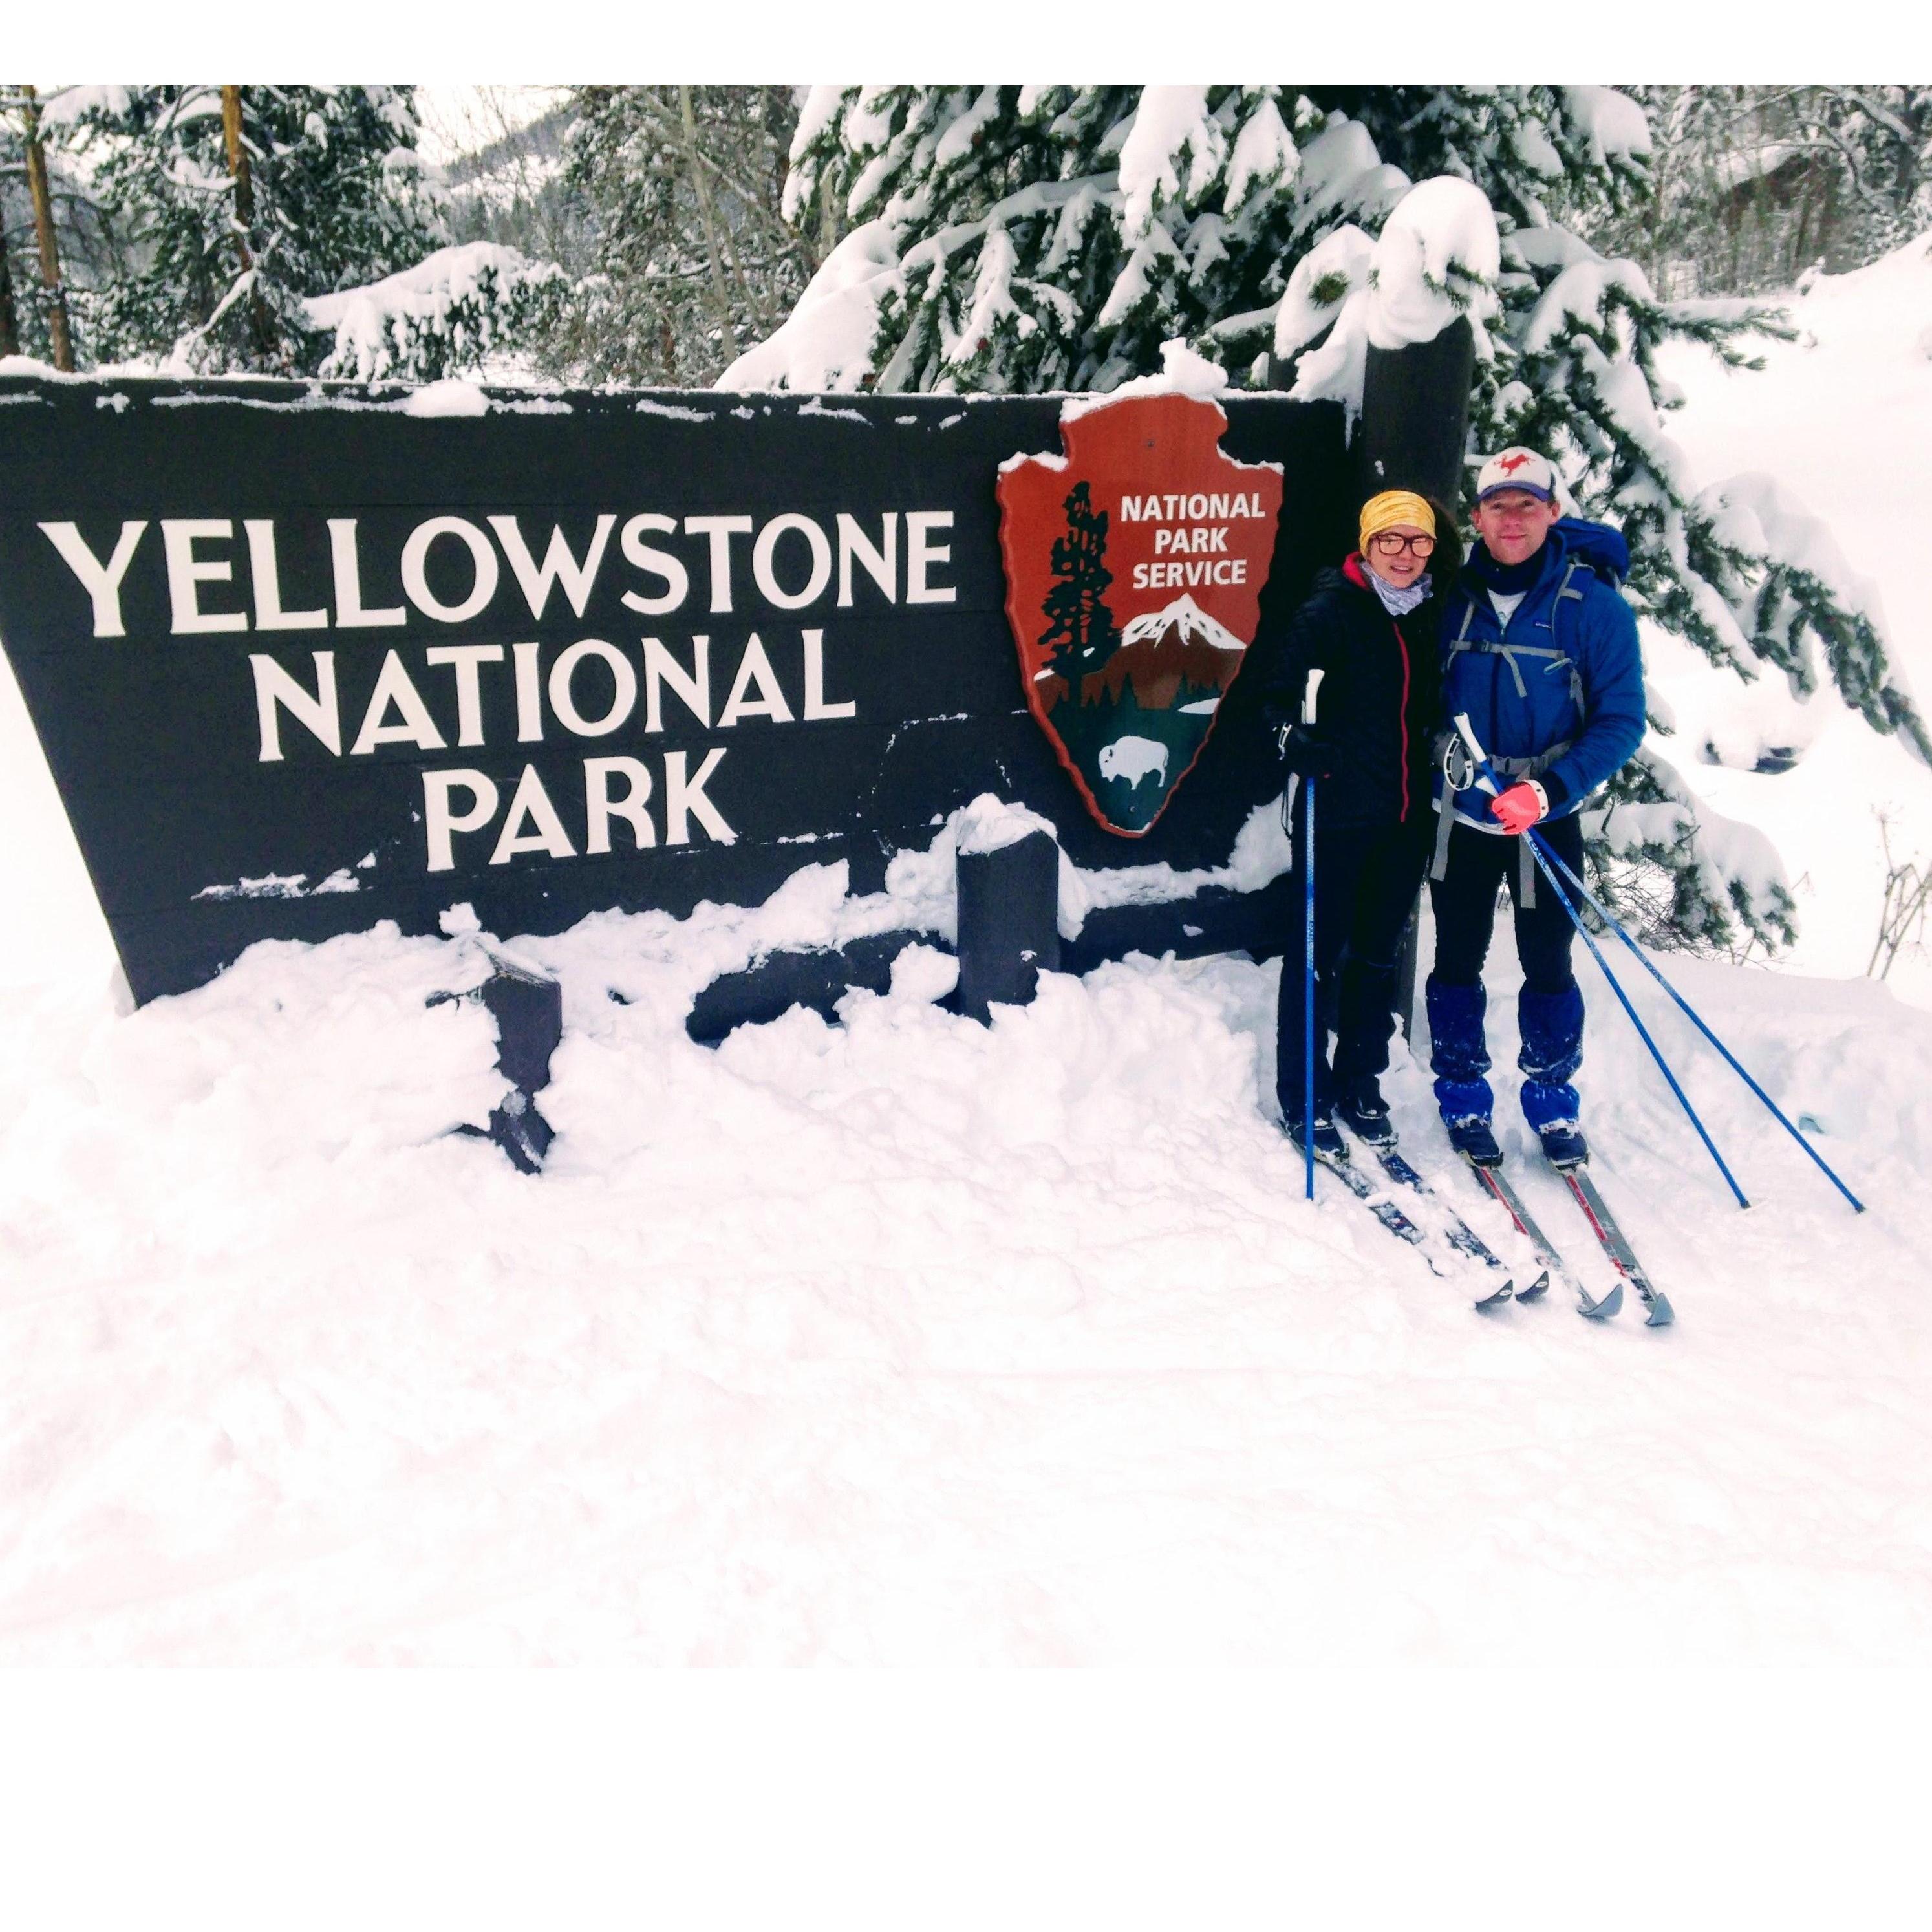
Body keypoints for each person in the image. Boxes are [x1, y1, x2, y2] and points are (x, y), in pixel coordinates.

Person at [1424, 446, 1646, 1170]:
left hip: (1545, 815)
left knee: (1548, 959)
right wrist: (1443, 753)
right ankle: (1461, 1091)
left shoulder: (1593, 607)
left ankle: (1552, 1097)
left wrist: (1549, 790)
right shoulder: (1448, 598)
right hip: (1463, 814)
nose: (1512, 519)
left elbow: (1621, 720)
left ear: (1553, 512)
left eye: (1528, 504)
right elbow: (1413, 694)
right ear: (1477, 516)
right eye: (1498, 506)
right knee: (1456, 955)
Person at [1262, 488, 1458, 1158]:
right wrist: (1295, 740)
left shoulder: (1432, 615)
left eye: (1418, 541)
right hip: (1337, 813)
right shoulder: (1331, 611)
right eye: (1390, 541)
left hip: (1404, 818)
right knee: (1316, 958)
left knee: (1376, 956)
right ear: (1368, 545)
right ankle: (1303, 1093)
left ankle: (1359, 1082)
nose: (1405, 555)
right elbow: (1274, 700)